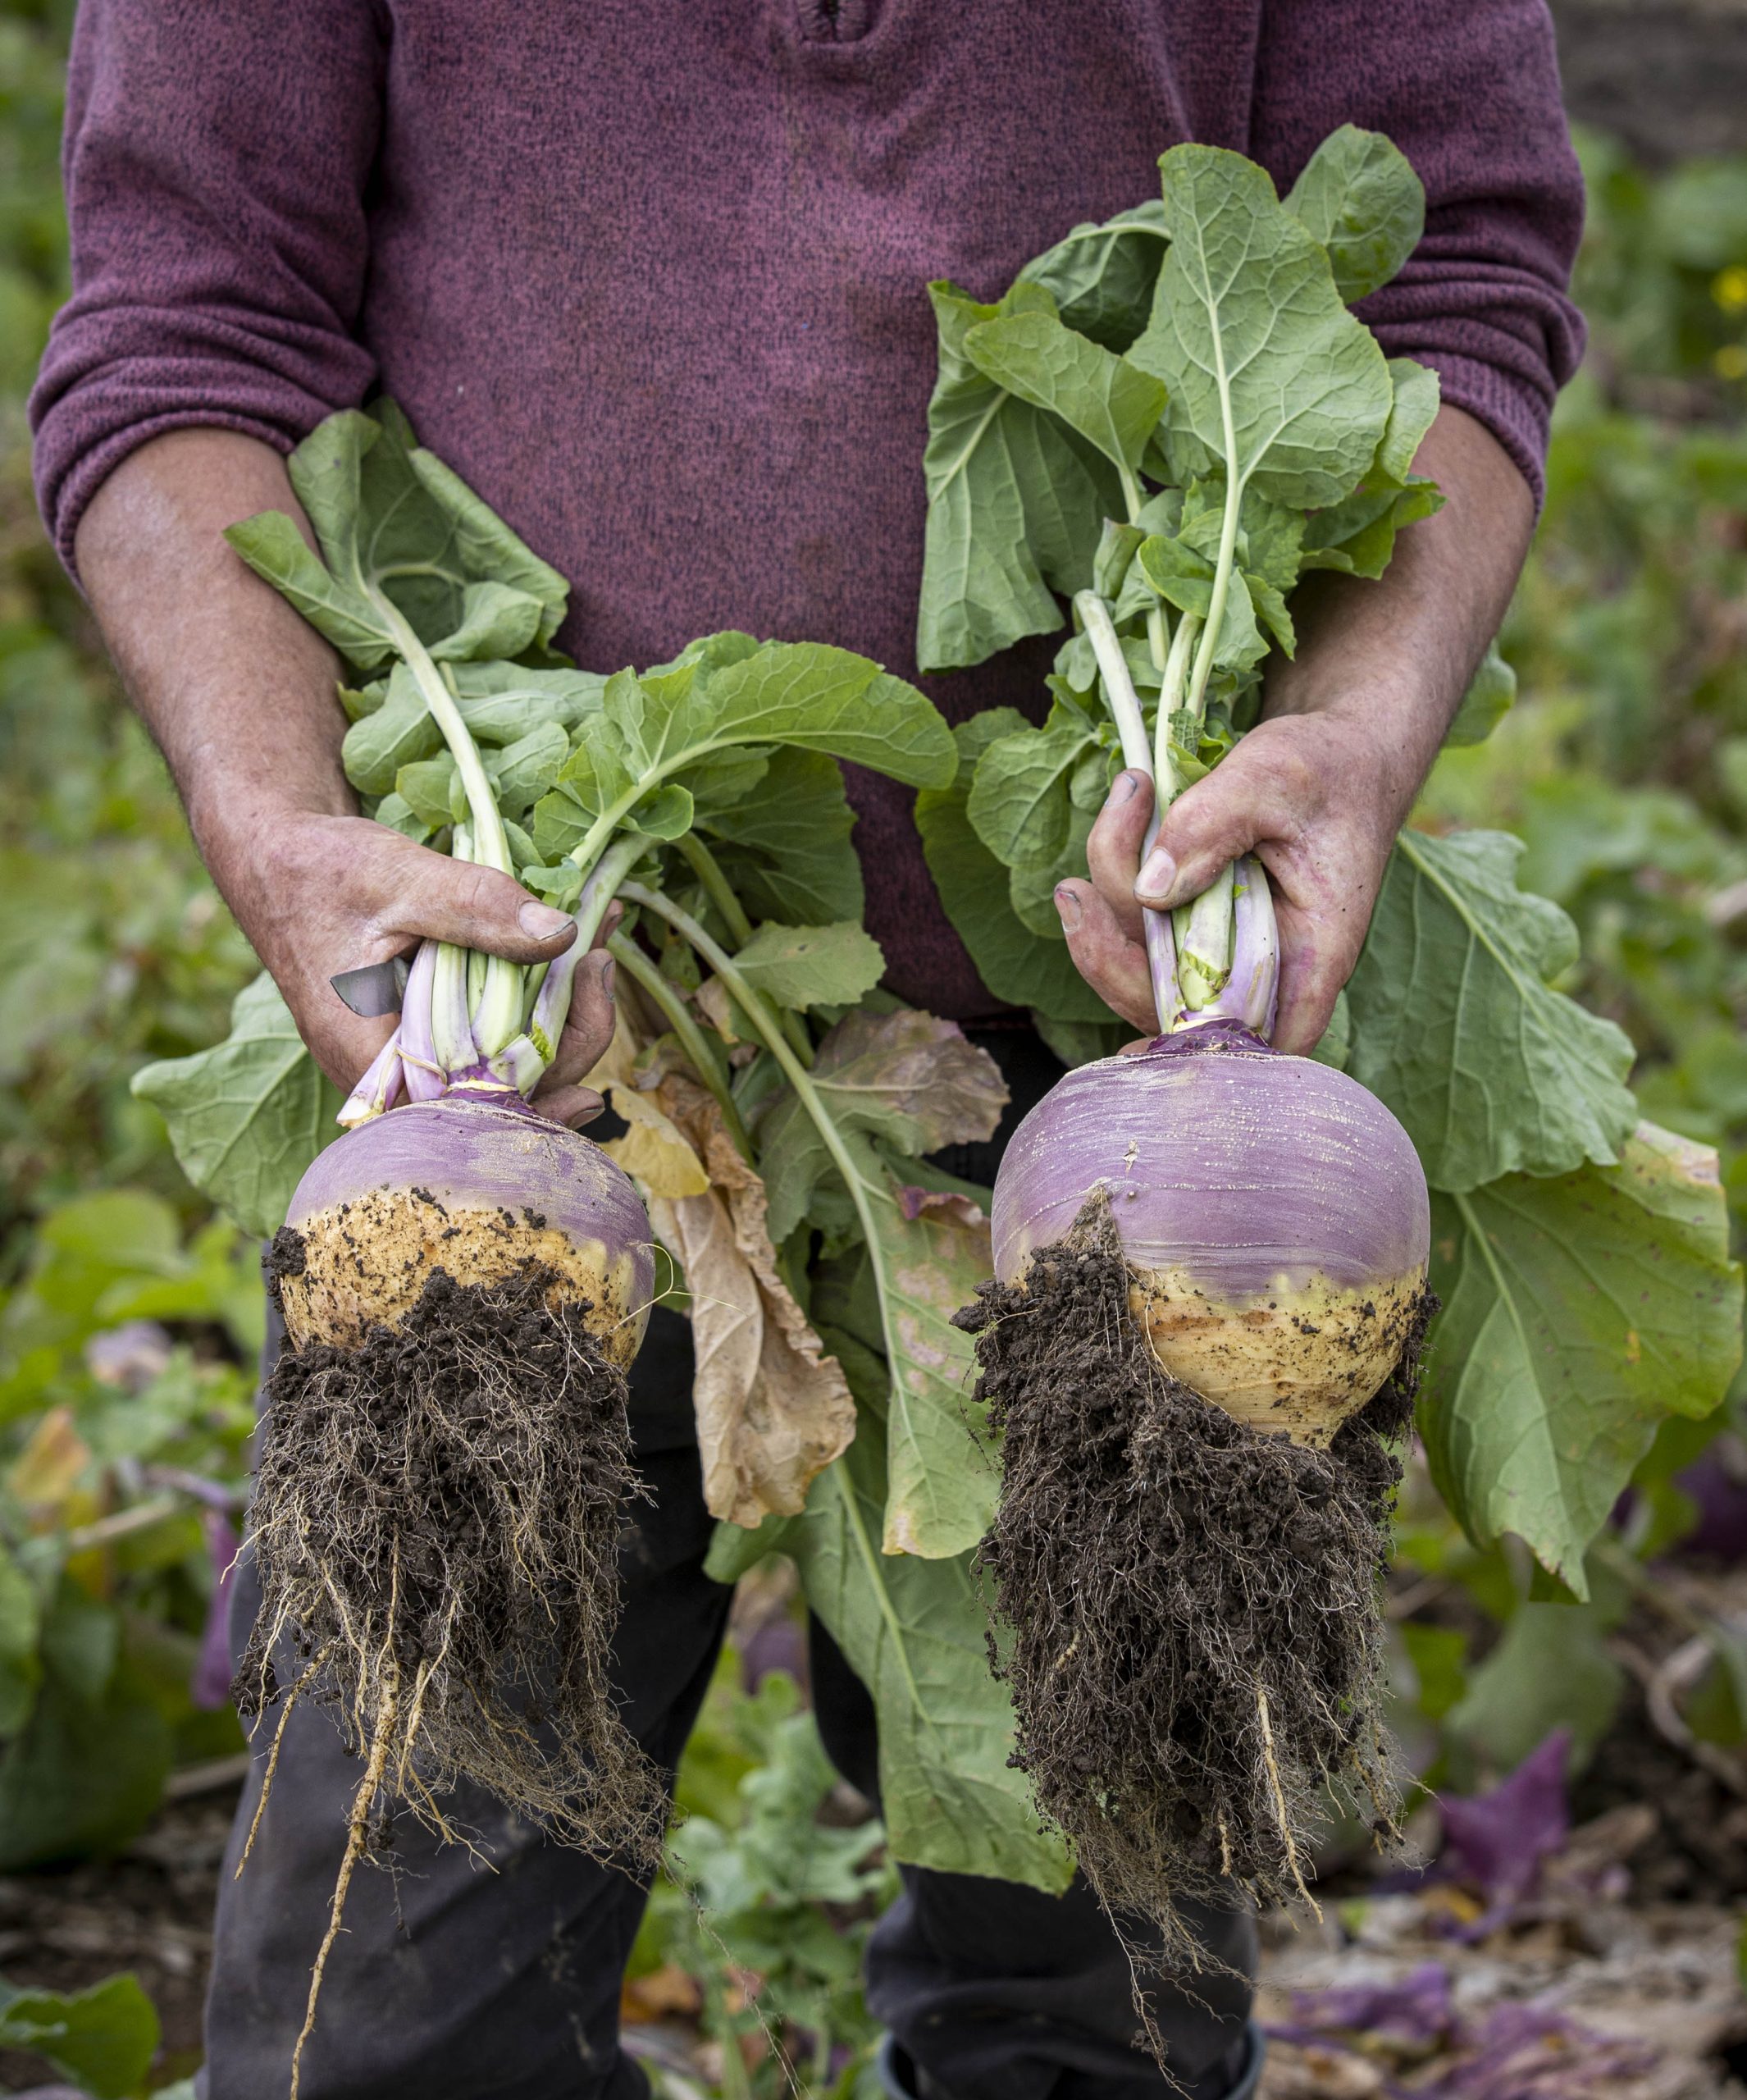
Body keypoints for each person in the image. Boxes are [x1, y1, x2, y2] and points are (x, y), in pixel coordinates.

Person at [30, 4, 1584, 2096]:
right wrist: (286, 818)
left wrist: (1361, 724)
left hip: (1108, 1107)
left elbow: (1460, 268)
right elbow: (184, 331)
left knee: (1092, 2030)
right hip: (549, 1078)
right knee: (376, 2032)